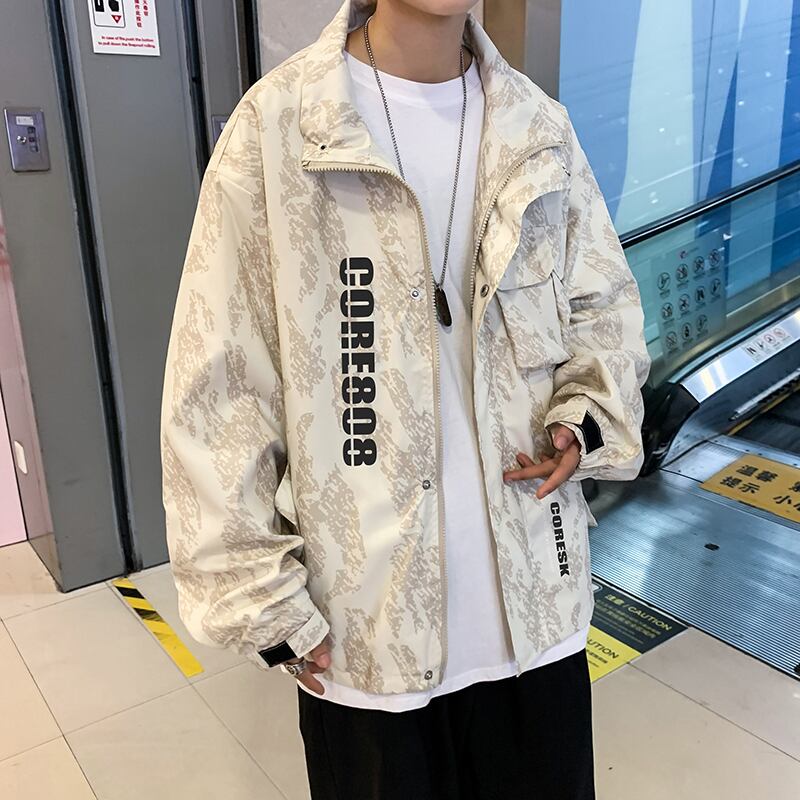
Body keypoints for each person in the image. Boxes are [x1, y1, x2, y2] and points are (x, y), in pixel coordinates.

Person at [159, 0, 651, 797]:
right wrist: (261, 602)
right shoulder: (282, 127)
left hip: (536, 614)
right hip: (367, 638)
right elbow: (219, 391)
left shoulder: (536, 127)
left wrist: (583, 414)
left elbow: (604, 307)